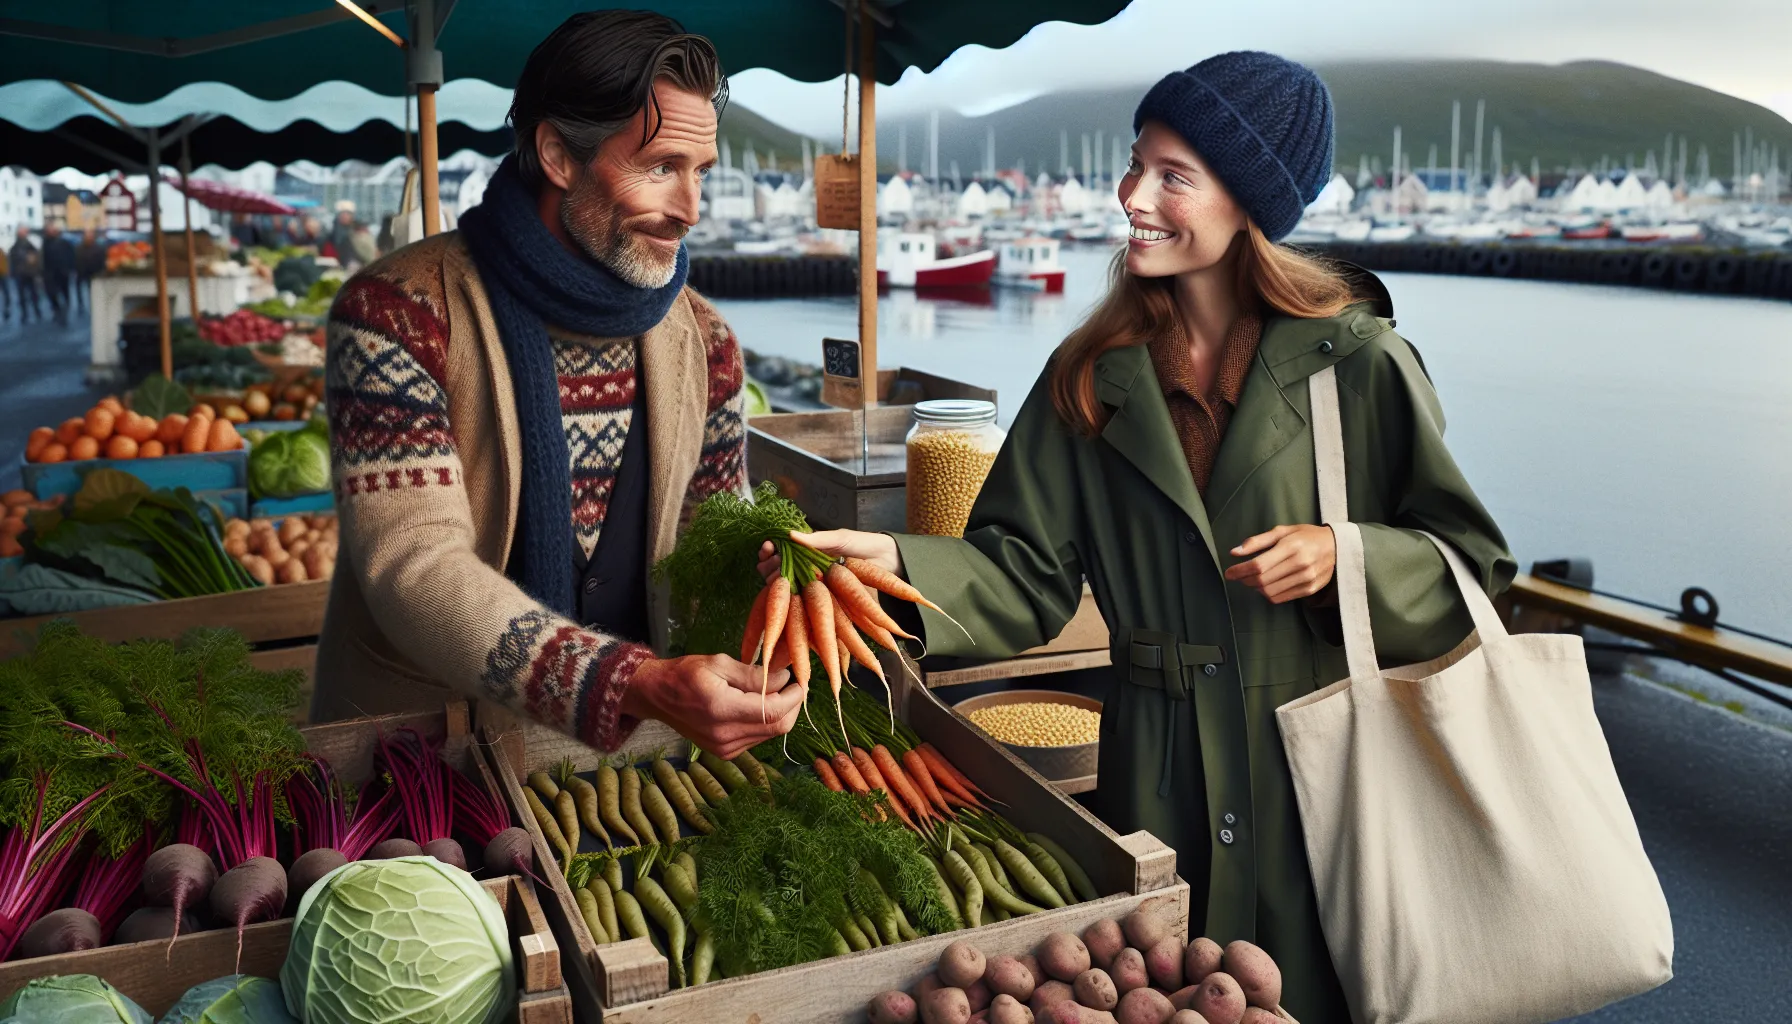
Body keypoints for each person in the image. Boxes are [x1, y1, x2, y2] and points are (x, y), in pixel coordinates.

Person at [760, 53, 1514, 1023]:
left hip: (1315, 768)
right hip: (1154, 767)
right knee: (1155, 992)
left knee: (1306, 993)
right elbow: (1024, 574)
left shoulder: (1361, 367)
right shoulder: (1089, 375)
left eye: (1172, 176)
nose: (1131, 197)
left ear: (1248, 202)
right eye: (1134, 164)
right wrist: (899, 562)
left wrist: (1345, 556)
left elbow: (1472, 567)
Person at [312, 11, 800, 761]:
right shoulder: (398, 314)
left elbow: (711, 539)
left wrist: (786, 575)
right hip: (421, 764)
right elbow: (414, 566)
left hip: (635, 767)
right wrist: (626, 683)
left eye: (699, 171)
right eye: (660, 167)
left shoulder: (707, 343)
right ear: (558, 156)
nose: (691, 210)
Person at [41, 222, 76, 326]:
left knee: (65, 292)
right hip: (50, 273)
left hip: (63, 272)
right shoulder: (45, 243)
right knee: (51, 293)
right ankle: (57, 310)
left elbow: (71, 256)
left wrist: (70, 268)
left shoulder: (64, 243)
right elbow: (43, 258)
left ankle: (65, 309)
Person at [8, 227, 42, 323]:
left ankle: (35, 311)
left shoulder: (28, 246)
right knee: (24, 295)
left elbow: (36, 259)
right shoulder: (16, 247)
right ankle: (27, 313)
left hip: (29, 274)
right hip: (22, 274)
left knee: (32, 294)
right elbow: (12, 261)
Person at [74, 227, 106, 315]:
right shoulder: (78, 248)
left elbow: (102, 261)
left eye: (90, 236)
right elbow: (75, 259)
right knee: (78, 288)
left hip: (93, 272)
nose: (89, 238)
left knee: (91, 290)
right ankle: (80, 304)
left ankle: (93, 304)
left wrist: (101, 271)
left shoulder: (98, 248)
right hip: (80, 271)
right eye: (87, 236)